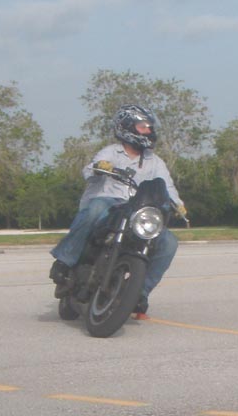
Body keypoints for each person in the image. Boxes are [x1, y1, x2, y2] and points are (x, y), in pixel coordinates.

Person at [49, 104, 186, 315]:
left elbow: (167, 186)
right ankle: (64, 261)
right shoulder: (111, 152)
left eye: (150, 127)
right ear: (127, 126)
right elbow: (90, 169)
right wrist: (100, 167)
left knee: (169, 242)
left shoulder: (155, 161)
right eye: (143, 126)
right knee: (96, 208)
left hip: (135, 210)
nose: (148, 131)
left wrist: (179, 204)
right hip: (108, 204)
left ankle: (140, 293)